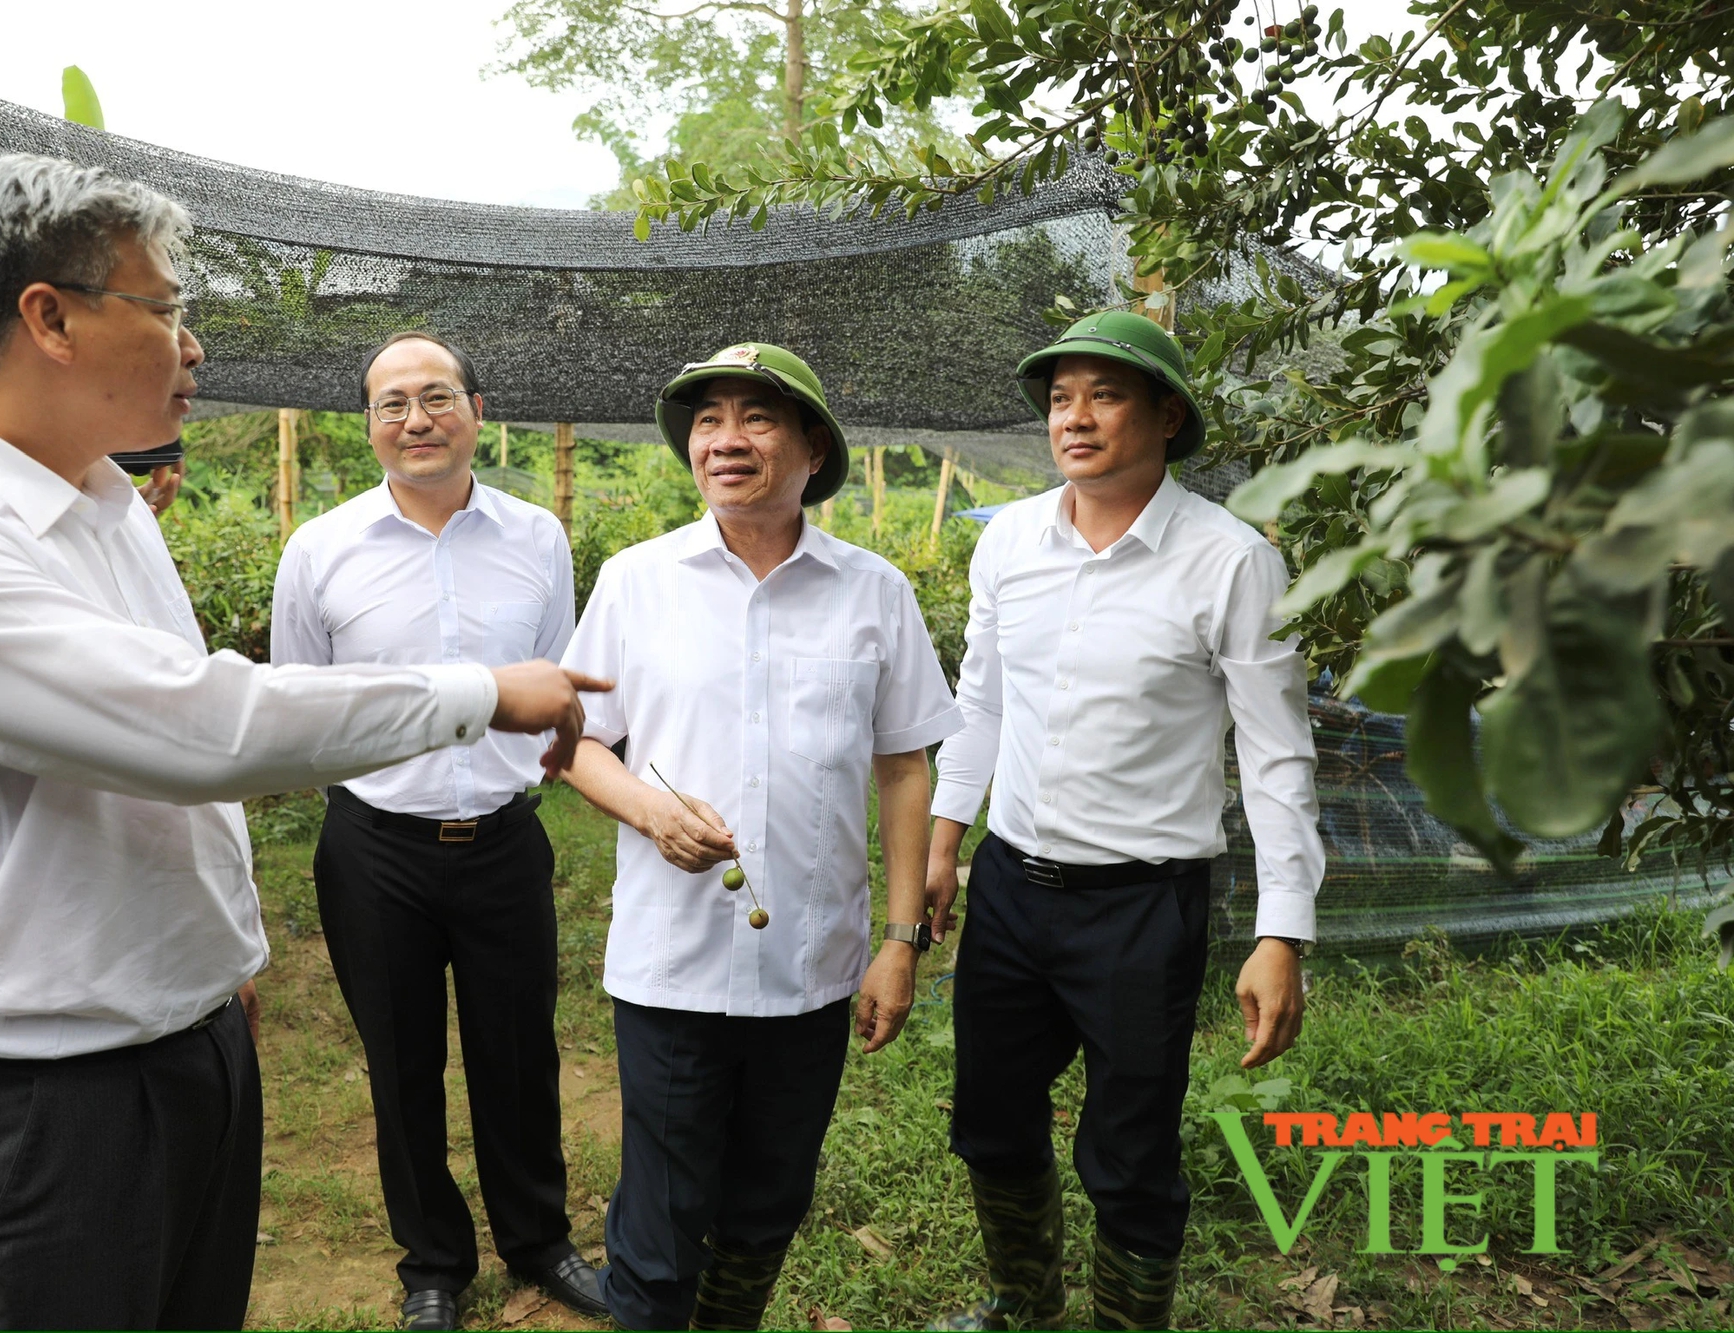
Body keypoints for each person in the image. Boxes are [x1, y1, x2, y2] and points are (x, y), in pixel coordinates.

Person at [0, 154, 604, 1333]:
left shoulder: (105, 507)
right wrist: (479, 689)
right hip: (48, 1105)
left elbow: (157, 767)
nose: (194, 345)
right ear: (50, 317)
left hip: (180, 1042)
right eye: (167, 308)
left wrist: (210, 968)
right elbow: (201, 725)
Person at [924, 311, 1323, 1332]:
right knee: (989, 1121)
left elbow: (1273, 752)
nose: (1075, 416)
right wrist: (942, 837)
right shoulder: (1010, 539)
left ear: (1165, 413)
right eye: (1059, 397)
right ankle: (1021, 1300)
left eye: (1103, 393)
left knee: (1131, 1149)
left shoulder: (1229, 562)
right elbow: (981, 703)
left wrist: (1281, 930)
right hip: (1010, 890)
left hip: (1140, 908)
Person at [558, 344, 961, 1331]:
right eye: (707, 420)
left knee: (768, 1200)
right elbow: (575, 744)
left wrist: (899, 944)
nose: (726, 439)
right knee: (658, 1225)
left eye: (756, 417)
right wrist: (649, 811)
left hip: (811, 964)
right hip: (670, 963)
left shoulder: (872, 592)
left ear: (810, 447)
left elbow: (904, 767)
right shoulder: (636, 579)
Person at [270, 331, 604, 1331]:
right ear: (369, 424)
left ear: (474, 407)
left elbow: (551, 685)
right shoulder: (320, 549)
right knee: (400, 1059)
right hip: (376, 847)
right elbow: (300, 702)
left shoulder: (536, 538)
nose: (413, 419)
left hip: (502, 838)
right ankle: (431, 1265)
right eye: (390, 403)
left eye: (433, 397)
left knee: (517, 1051)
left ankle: (538, 1242)